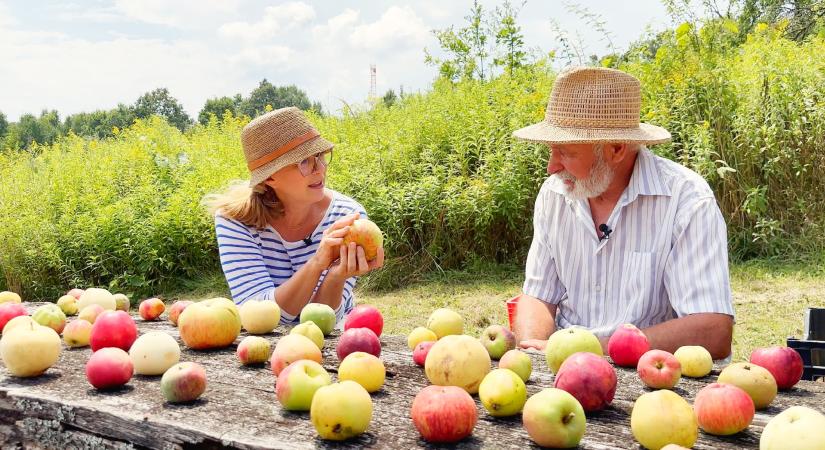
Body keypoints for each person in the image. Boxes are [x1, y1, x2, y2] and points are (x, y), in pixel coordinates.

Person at [511, 67, 734, 359]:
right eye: (551, 151)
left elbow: (712, 331)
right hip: (564, 373)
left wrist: (595, 351)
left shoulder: (687, 200)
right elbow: (539, 295)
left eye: (565, 152)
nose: (551, 167)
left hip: (650, 380)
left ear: (616, 149)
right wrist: (532, 352)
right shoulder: (554, 194)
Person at [204, 107, 384, 326]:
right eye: (304, 162)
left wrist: (336, 276)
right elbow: (260, 317)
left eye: (319, 156)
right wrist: (317, 263)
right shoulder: (234, 221)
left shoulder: (346, 216)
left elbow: (322, 322)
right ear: (269, 178)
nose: (319, 169)